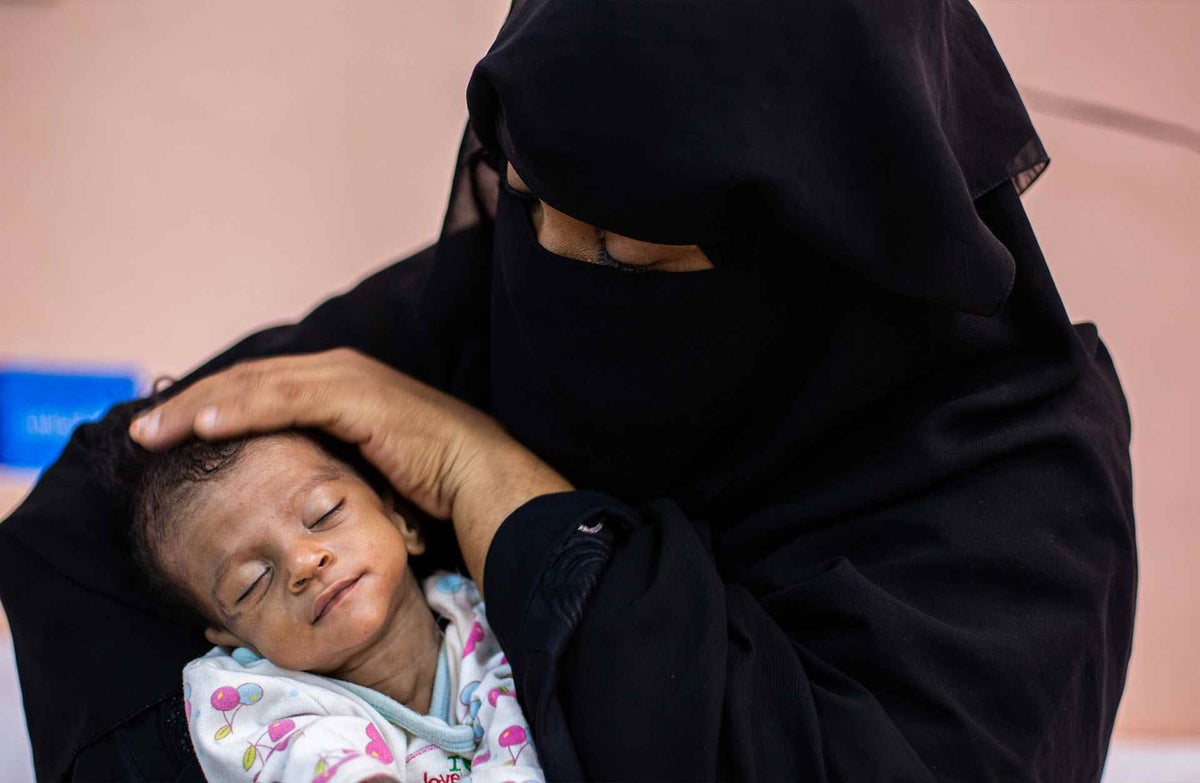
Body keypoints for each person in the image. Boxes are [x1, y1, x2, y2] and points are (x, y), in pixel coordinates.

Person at [0, 2, 1136, 782]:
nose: (552, 258)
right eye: (535, 197)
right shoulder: (507, 282)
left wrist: (479, 472)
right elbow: (91, 521)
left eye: (629, 250)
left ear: (817, 238)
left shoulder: (1022, 484)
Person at [112, 420, 542, 783]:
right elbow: (302, 758)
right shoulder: (248, 703)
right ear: (229, 633)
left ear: (403, 521)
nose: (303, 563)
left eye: (324, 514)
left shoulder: (496, 606)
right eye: (253, 581)